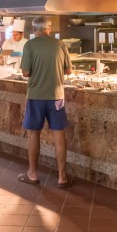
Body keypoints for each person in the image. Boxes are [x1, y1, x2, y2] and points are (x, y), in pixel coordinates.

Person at [17, 16, 73, 188]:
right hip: (57, 96)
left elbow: (25, 72)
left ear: (35, 29)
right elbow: (69, 70)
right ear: (49, 28)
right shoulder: (60, 44)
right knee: (59, 134)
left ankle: (32, 173)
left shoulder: (30, 45)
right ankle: (62, 177)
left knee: (33, 133)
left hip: (36, 96)